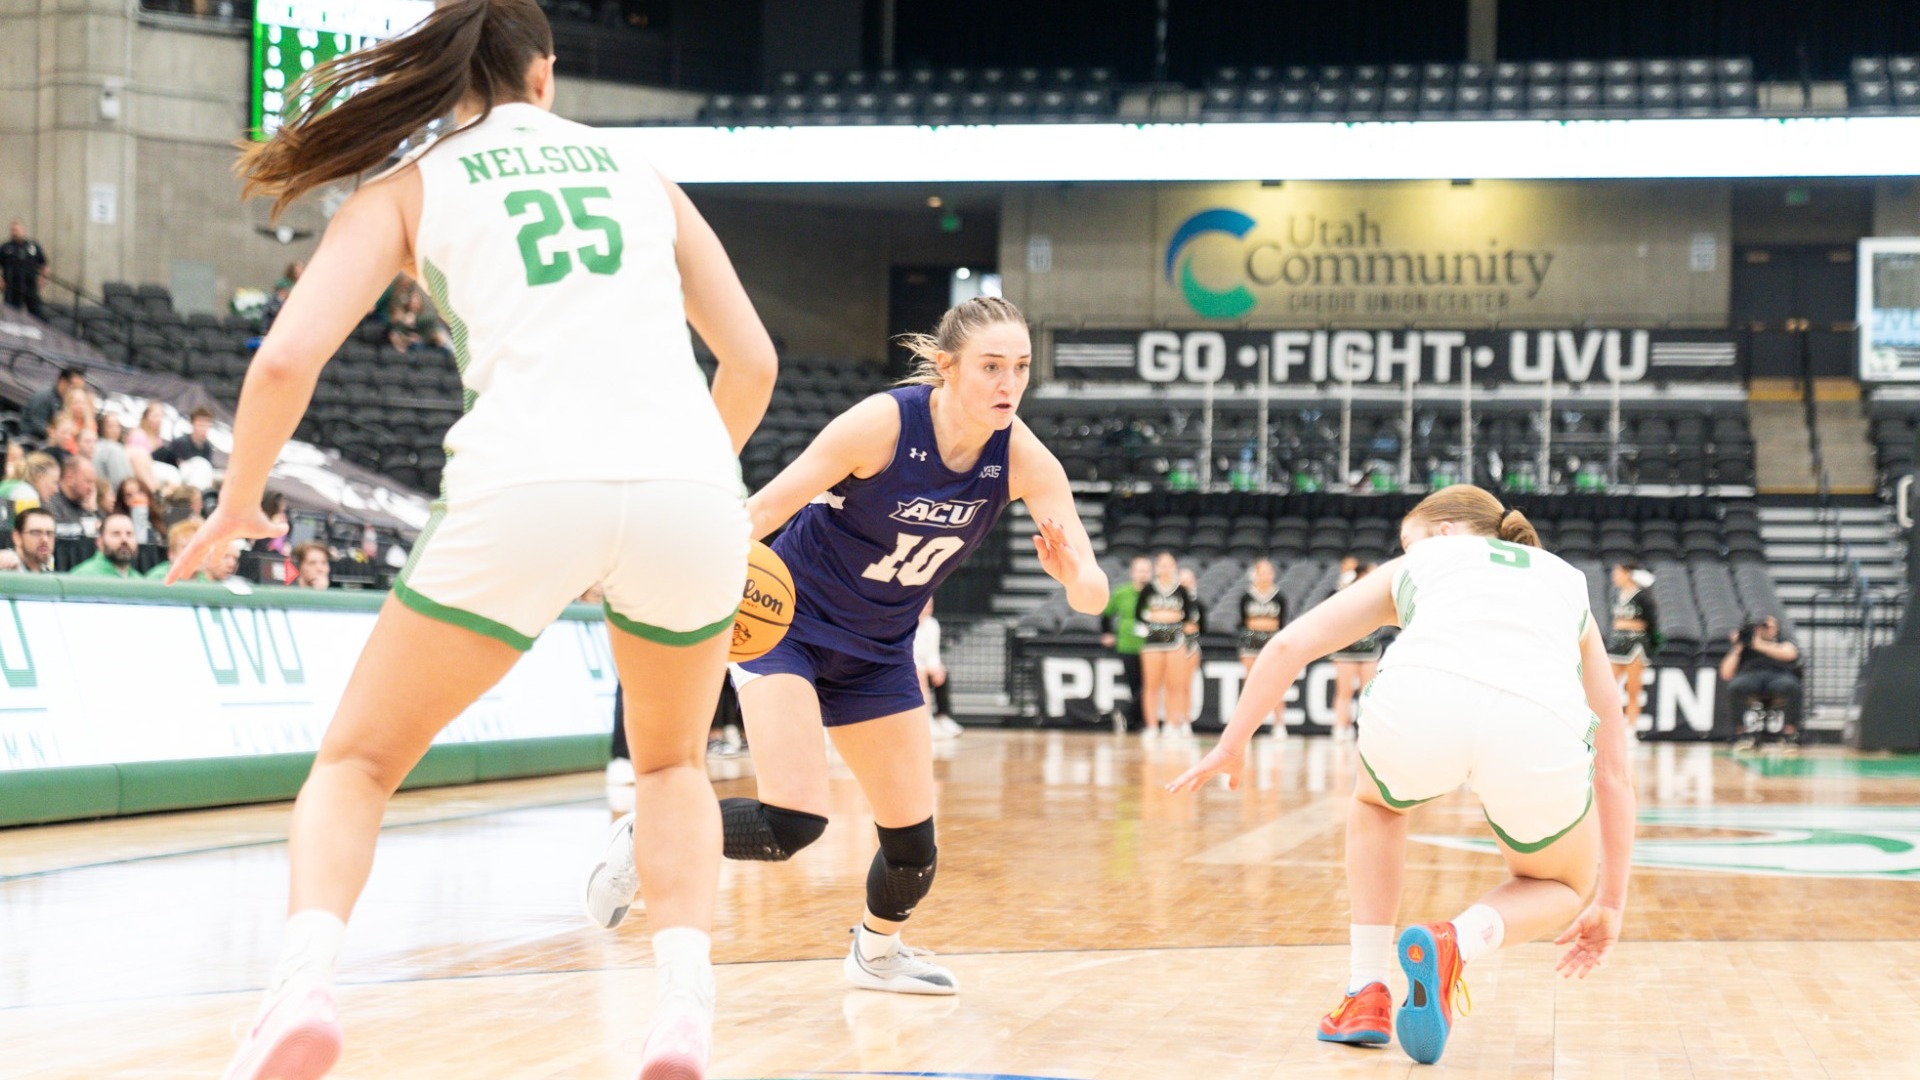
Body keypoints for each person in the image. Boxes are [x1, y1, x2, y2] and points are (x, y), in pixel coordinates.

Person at [167, 3, 779, 1077]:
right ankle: (682, 1011)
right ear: (546, 74)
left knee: (355, 765)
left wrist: (238, 503)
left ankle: (301, 992)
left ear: (451, 81)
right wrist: (674, 479)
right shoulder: (644, 179)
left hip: (525, 484)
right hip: (691, 487)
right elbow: (755, 362)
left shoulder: (409, 185)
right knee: (675, 762)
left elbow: (280, 365)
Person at [585, 296, 1107, 998]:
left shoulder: (1023, 461)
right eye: (990, 367)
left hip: (881, 650)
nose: (1008, 384)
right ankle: (650, 834)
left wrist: (1077, 575)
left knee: (914, 850)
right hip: (789, 628)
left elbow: (1094, 592)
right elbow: (766, 509)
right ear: (946, 368)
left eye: (1019, 368)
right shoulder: (884, 424)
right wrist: (670, 565)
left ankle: (876, 952)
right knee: (792, 822)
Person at [1169, 485, 1634, 1066]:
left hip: (1425, 695)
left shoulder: (1427, 559)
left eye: (1405, 538)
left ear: (1443, 531)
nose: (1403, 547)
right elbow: (1613, 770)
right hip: (1538, 719)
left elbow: (1288, 645)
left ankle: (1366, 989)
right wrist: (1610, 902)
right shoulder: (1568, 581)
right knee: (1564, 886)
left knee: (1379, 806)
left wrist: (1232, 744)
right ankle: (1455, 942)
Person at [1134, 551, 1197, 740]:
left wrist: (1170, 619)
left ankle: (1171, 724)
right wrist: (1153, 620)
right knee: (1151, 685)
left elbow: (1188, 616)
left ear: (1175, 567)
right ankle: (1152, 726)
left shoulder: (1181, 590)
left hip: (1175, 641)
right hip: (1153, 641)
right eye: (1161, 564)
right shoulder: (1149, 589)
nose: (1165, 568)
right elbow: (1138, 613)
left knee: (1174, 685)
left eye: (1169, 565)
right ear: (1156, 568)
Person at [1719, 615, 1802, 747]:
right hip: (1750, 676)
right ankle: (1740, 734)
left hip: (1778, 676)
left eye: (1767, 626)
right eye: (1760, 627)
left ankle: (1789, 733)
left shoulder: (1783, 642)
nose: (1764, 629)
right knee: (1735, 687)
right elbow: (1726, 674)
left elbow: (1790, 654)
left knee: (1792, 686)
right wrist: (1738, 647)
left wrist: (1759, 644)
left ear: (1776, 628)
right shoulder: (1744, 647)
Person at [1326, 560, 1383, 739]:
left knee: (1368, 692)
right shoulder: (1343, 591)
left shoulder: (1376, 593)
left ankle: (1367, 729)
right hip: (1345, 649)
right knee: (1344, 691)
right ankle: (1340, 726)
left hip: (1368, 647)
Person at [1607, 561, 1659, 733]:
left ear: (1627, 573)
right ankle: (1608, 727)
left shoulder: (1642, 596)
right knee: (1607, 686)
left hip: (1635, 644)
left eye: (1617, 572)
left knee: (1633, 689)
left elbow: (1651, 622)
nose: (1614, 577)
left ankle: (1630, 729)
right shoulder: (1616, 594)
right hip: (1617, 643)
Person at [1237, 558, 1288, 735]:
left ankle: (1279, 724)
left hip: (1271, 642)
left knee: (1275, 682)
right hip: (1251, 643)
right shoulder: (1247, 596)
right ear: (1255, 574)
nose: (1266, 576)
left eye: (1269, 572)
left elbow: (1281, 623)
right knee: (1250, 684)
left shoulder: (1279, 596)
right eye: (1262, 572)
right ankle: (1246, 726)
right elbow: (1243, 621)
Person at [1100, 555, 1151, 732]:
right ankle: (1136, 722)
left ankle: (1127, 715)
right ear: (1132, 572)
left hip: (1151, 646)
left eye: (1146, 570)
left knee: (1149, 684)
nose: (1143, 574)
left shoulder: (1154, 594)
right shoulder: (1122, 592)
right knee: (1134, 684)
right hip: (1127, 644)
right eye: (1140, 570)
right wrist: (1107, 633)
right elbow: (1107, 613)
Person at [913, 599, 960, 741]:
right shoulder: (907, 624)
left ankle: (942, 716)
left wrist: (937, 667)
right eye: (925, 606)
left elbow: (933, 653)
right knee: (920, 676)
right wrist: (922, 668)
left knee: (943, 673)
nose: (927, 610)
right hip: (909, 668)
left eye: (930, 607)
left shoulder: (933, 624)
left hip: (924, 667)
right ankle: (926, 719)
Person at [0, 219, 48, 320]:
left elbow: (44, 263)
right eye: (12, 230)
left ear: (23, 231)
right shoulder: (5, 248)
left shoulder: (33, 247)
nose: (14, 233)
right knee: (10, 316)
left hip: (30, 287)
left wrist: (43, 278)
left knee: (37, 315)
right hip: (12, 288)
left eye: (16, 230)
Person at [0, 451, 59, 532]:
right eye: (54, 482)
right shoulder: (27, 495)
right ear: (39, 477)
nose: (56, 490)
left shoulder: (8, 484)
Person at [67, 512, 139, 578]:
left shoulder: (139, 581)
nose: (124, 540)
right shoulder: (82, 576)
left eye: (129, 534)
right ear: (100, 542)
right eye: (116, 534)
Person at [45, 456, 101, 539]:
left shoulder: (86, 504)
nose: (92, 488)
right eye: (88, 481)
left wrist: (93, 511)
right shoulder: (51, 503)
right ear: (70, 478)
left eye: (93, 483)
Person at [1178, 565, 1206, 731]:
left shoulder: (1198, 604)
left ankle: (1186, 721)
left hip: (1191, 646)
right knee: (1172, 686)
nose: (1185, 584)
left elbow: (1202, 628)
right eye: (1182, 581)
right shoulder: (1172, 603)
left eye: (1188, 581)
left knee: (1187, 685)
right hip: (1173, 645)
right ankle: (1171, 721)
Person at [23, 367, 85, 439]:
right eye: (74, 387)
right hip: (33, 439)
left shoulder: (68, 400)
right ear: (63, 382)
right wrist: (58, 432)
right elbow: (36, 423)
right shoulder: (44, 396)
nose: (76, 391)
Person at [9, 507, 57, 573]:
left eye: (49, 533)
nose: (45, 539)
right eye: (36, 532)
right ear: (17, 537)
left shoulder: (51, 576)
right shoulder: (5, 570)